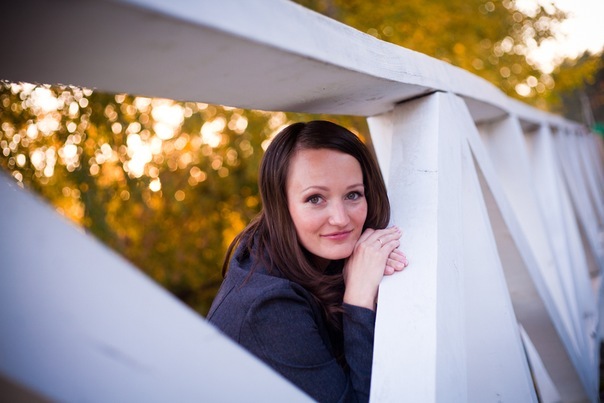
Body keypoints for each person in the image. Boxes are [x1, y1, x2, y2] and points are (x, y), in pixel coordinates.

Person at [207, 120, 408, 402]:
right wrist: (359, 297)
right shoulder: (268, 309)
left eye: (353, 194)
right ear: (281, 205)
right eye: (315, 199)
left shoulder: (307, 255)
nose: (340, 219)